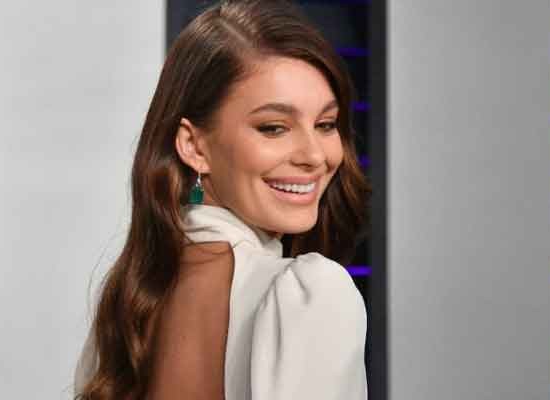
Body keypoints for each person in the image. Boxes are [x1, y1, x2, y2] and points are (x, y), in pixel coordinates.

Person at [72, 0, 371, 398]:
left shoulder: (129, 300)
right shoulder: (314, 296)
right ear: (194, 146)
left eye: (325, 124)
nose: (315, 156)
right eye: (274, 128)